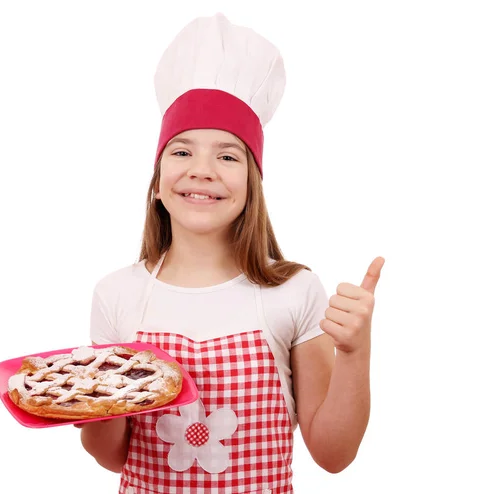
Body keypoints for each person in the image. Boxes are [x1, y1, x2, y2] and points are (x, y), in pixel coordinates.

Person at [78, 13, 385, 494]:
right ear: (157, 183)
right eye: (181, 152)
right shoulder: (117, 293)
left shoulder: (294, 291)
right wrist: (93, 398)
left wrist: (355, 351)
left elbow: (333, 454)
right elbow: (112, 455)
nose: (202, 170)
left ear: (252, 185)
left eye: (227, 155)